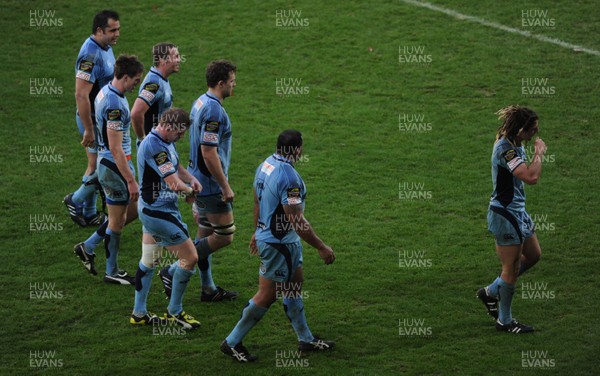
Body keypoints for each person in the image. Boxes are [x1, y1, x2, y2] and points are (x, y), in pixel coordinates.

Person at [221, 130, 336, 362]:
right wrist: (321, 247)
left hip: (275, 239)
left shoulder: (266, 164)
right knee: (267, 294)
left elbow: (257, 200)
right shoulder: (289, 179)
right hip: (279, 244)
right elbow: (296, 219)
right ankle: (232, 342)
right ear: (296, 149)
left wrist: (257, 229)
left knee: (294, 284)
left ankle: (305, 339)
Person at [159, 60, 238, 302]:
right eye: (232, 82)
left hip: (198, 180)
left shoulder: (200, 101)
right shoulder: (213, 110)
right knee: (225, 235)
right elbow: (208, 151)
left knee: (204, 237)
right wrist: (224, 185)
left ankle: (208, 288)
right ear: (221, 83)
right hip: (210, 184)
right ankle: (172, 271)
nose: (235, 86)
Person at [477, 105, 547, 333]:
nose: (535, 133)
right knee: (511, 267)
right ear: (520, 130)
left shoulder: (515, 142)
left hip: (518, 212)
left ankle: (491, 291)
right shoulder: (506, 149)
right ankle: (504, 321)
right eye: (532, 130)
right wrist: (539, 153)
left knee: (534, 255)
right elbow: (531, 177)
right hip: (505, 214)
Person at [130, 108, 202, 329]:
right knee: (190, 258)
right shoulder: (154, 146)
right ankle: (175, 311)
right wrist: (190, 192)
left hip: (152, 209)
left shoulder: (164, 140)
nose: (181, 137)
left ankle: (139, 313)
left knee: (149, 261)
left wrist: (191, 178)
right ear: (169, 127)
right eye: (180, 133)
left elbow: (175, 166)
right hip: (159, 213)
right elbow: (172, 182)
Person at [89, 54, 144, 285]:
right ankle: (111, 269)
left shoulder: (106, 91)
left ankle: (89, 246)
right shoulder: (114, 105)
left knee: (119, 218)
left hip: (107, 163)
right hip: (114, 166)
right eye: (135, 80)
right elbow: (115, 147)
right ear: (123, 76)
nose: (136, 84)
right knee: (122, 218)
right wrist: (131, 180)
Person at [64, 10, 120, 227]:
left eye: (118, 29)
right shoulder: (90, 55)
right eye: (112, 30)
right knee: (102, 166)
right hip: (93, 120)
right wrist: (89, 128)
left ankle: (88, 212)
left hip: (101, 118)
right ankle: (75, 200)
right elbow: (80, 94)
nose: (117, 34)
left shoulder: (105, 47)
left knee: (96, 164)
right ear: (99, 31)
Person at [131, 43, 180, 141]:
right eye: (176, 57)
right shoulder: (154, 83)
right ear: (162, 61)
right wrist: (143, 140)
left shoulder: (162, 78)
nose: (179, 60)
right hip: (153, 145)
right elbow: (136, 113)